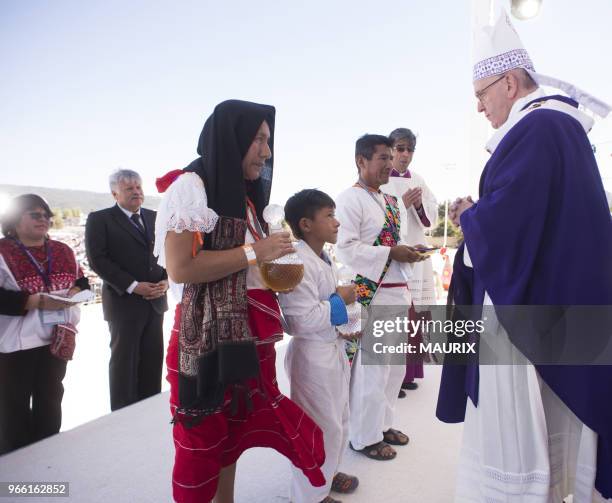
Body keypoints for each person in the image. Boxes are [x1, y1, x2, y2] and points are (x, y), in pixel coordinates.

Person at [436, 10, 612, 502]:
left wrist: (474, 219)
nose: (479, 108)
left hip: (523, 315)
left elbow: (513, 228)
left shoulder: (538, 129)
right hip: (554, 306)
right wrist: (483, 214)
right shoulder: (555, 128)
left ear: (510, 83)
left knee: (518, 427)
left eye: (481, 94)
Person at [154, 99, 325, 503]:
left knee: (231, 431)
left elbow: (254, 267)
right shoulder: (192, 187)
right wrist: (256, 253)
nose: (267, 152)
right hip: (206, 337)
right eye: (259, 140)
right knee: (202, 436)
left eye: (269, 141)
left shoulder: (246, 199)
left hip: (247, 334)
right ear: (232, 140)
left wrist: (276, 261)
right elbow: (181, 267)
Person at [335, 134, 427, 461]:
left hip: (397, 291)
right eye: (382, 158)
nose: (390, 164)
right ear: (361, 161)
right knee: (373, 370)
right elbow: (344, 249)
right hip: (371, 294)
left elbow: (394, 244)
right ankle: (363, 436)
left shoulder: (390, 201)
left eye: (391, 157)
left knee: (394, 368)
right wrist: (393, 253)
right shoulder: (349, 199)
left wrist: (408, 251)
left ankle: (383, 424)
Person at [280, 189, 360, 503]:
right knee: (317, 430)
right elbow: (300, 321)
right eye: (328, 215)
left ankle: (325, 476)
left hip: (330, 350)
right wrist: (342, 300)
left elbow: (327, 309)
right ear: (306, 224)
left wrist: (347, 325)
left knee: (339, 420)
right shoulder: (295, 262)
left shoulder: (322, 257)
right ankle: (309, 496)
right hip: (311, 356)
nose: (337, 222)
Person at [0, 194, 89, 454]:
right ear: (15, 220)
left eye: (46, 215)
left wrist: (75, 290)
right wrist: (34, 301)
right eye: (35, 214)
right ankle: (16, 463)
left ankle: (48, 453)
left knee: (50, 398)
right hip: (15, 344)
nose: (44, 220)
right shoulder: (3, 251)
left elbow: (81, 280)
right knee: (13, 405)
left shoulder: (62, 250)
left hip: (56, 336)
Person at [85, 169, 168, 411]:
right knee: (125, 365)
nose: (136, 192)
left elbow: (166, 253)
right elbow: (98, 260)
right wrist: (134, 286)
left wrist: (166, 280)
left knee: (152, 361)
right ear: (114, 193)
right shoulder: (100, 219)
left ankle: (148, 410)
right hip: (124, 305)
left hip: (155, 301)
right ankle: (122, 417)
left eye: (139, 187)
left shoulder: (155, 217)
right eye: (129, 188)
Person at [382, 127, 437, 395]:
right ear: (391, 149)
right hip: (394, 258)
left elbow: (432, 215)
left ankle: (409, 373)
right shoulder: (380, 180)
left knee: (415, 318)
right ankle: (393, 377)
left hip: (418, 253)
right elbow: (377, 221)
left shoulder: (419, 179)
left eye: (410, 149)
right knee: (399, 317)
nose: (405, 154)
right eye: (400, 148)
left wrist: (417, 206)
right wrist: (401, 204)